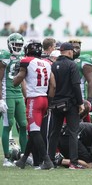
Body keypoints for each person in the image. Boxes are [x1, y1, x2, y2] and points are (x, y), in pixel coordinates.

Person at [13, 39, 55, 170]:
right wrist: (49, 102)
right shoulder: (47, 63)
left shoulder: (26, 61)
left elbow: (17, 80)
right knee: (33, 131)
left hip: (34, 100)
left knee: (35, 131)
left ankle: (47, 161)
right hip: (44, 98)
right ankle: (23, 159)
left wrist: (14, 79)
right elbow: (53, 85)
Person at [48, 42, 85, 170]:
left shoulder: (53, 65)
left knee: (54, 133)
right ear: (69, 52)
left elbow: (51, 86)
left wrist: (50, 102)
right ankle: (73, 163)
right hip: (70, 104)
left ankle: (50, 160)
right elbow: (76, 85)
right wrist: (80, 103)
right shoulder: (72, 65)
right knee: (73, 133)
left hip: (55, 104)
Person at [0, 33, 27, 167]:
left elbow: (22, 79)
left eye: (19, 45)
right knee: (8, 124)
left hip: (18, 95)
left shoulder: (22, 57)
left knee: (23, 124)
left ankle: (24, 156)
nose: (17, 47)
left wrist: (25, 95)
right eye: (15, 44)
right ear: (10, 44)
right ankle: (7, 158)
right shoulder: (4, 56)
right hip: (7, 94)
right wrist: (0, 99)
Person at [68, 39, 92, 122]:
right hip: (68, 100)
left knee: (86, 126)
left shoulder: (83, 60)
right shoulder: (63, 60)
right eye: (73, 47)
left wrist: (89, 101)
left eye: (78, 47)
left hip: (82, 99)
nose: (75, 49)